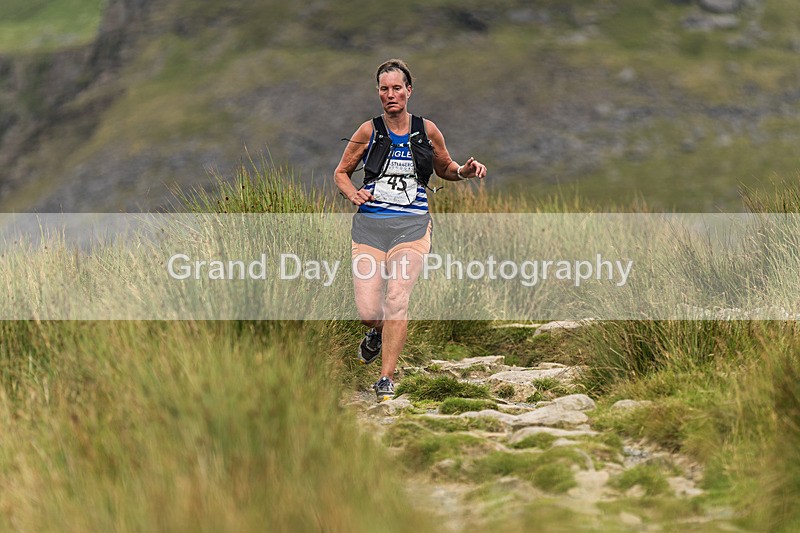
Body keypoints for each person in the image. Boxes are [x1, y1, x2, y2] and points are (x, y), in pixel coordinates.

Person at [334, 59, 487, 402]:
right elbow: (341, 172)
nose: (391, 94)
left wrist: (463, 170)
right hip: (369, 229)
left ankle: (386, 378)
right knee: (369, 313)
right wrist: (352, 192)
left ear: (408, 91)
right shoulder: (367, 131)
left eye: (397, 88)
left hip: (413, 228)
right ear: (378, 93)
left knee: (398, 298)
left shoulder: (426, 130)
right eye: (384, 89)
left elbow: (445, 167)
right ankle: (377, 334)